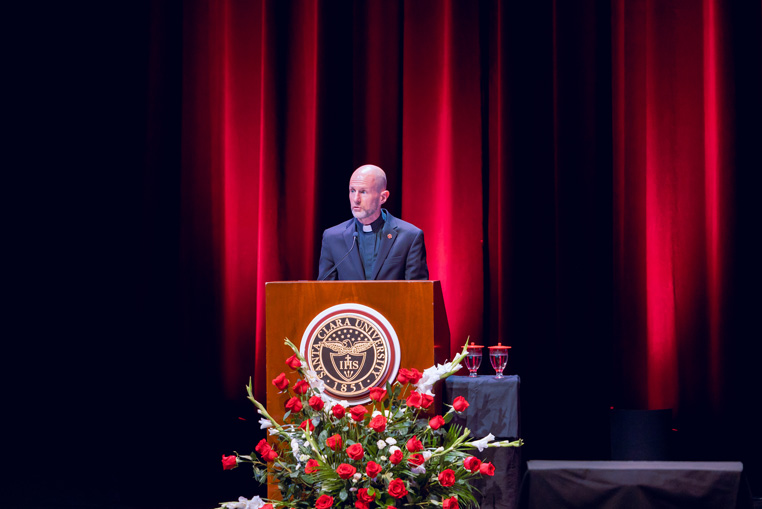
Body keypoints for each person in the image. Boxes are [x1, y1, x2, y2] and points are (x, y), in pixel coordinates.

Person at [317, 164, 429, 281]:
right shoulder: (332, 238)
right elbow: (325, 291)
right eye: (352, 190)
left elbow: (418, 293)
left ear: (383, 197)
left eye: (363, 192)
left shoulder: (409, 237)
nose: (356, 199)